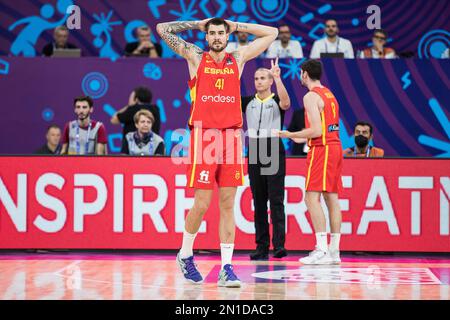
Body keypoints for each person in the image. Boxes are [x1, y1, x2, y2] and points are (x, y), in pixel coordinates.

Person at [157, 17, 278, 287]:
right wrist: (195, 23)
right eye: (211, 33)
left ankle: (226, 267)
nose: (216, 37)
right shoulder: (195, 57)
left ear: (227, 36)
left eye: (221, 33)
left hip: (233, 137)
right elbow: (162, 29)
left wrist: (237, 25)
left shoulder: (238, 58)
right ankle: (185, 254)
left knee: (227, 205)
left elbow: (272, 32)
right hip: (205, 135)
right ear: (206, 35)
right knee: (201, 204)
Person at [279, 59, 343, 265]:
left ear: (304, 74)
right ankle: (334, 250)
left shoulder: (310, 96)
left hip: (321, 150)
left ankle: (322, 249)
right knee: (331, 198)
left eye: (300, 73)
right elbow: (320, 129)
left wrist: (289, 133)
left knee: (311, 198)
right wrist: (295, 136)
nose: (300, 77)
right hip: (334, 147)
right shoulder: (329, 94)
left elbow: (316, 131)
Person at [242, 59, 290, 260]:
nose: (259, 81)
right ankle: (261, 247)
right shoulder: (247, 102)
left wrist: (278, 78)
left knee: (276, 200)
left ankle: (278, 245)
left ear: (270, 81)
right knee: (259, 201)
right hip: (254, 148)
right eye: (256, 78)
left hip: (272, 147)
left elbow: (286, 103)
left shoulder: (275, 101)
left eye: (263, 78)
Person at [110, 86, 160, 154]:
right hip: (152, 149)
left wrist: (129, 106)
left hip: (131, 151)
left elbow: (113, 120)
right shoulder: (156, 109)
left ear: (136, 99)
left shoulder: (133, 109)